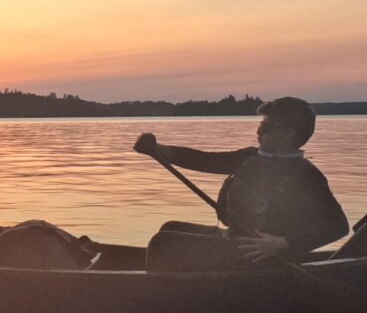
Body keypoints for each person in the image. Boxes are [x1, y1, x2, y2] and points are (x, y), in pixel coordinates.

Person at [134, 96, 347, 264]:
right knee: (170, 228)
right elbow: (207, 161)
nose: (258, 130)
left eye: (266, 126)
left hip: (259, 255)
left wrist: (283, 244)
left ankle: (158, 299)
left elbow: (337, 225)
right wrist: (157, 150)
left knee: (163, 244)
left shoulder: (305, 175)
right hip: (233, 240)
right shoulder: (250, 157)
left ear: (288, 133)